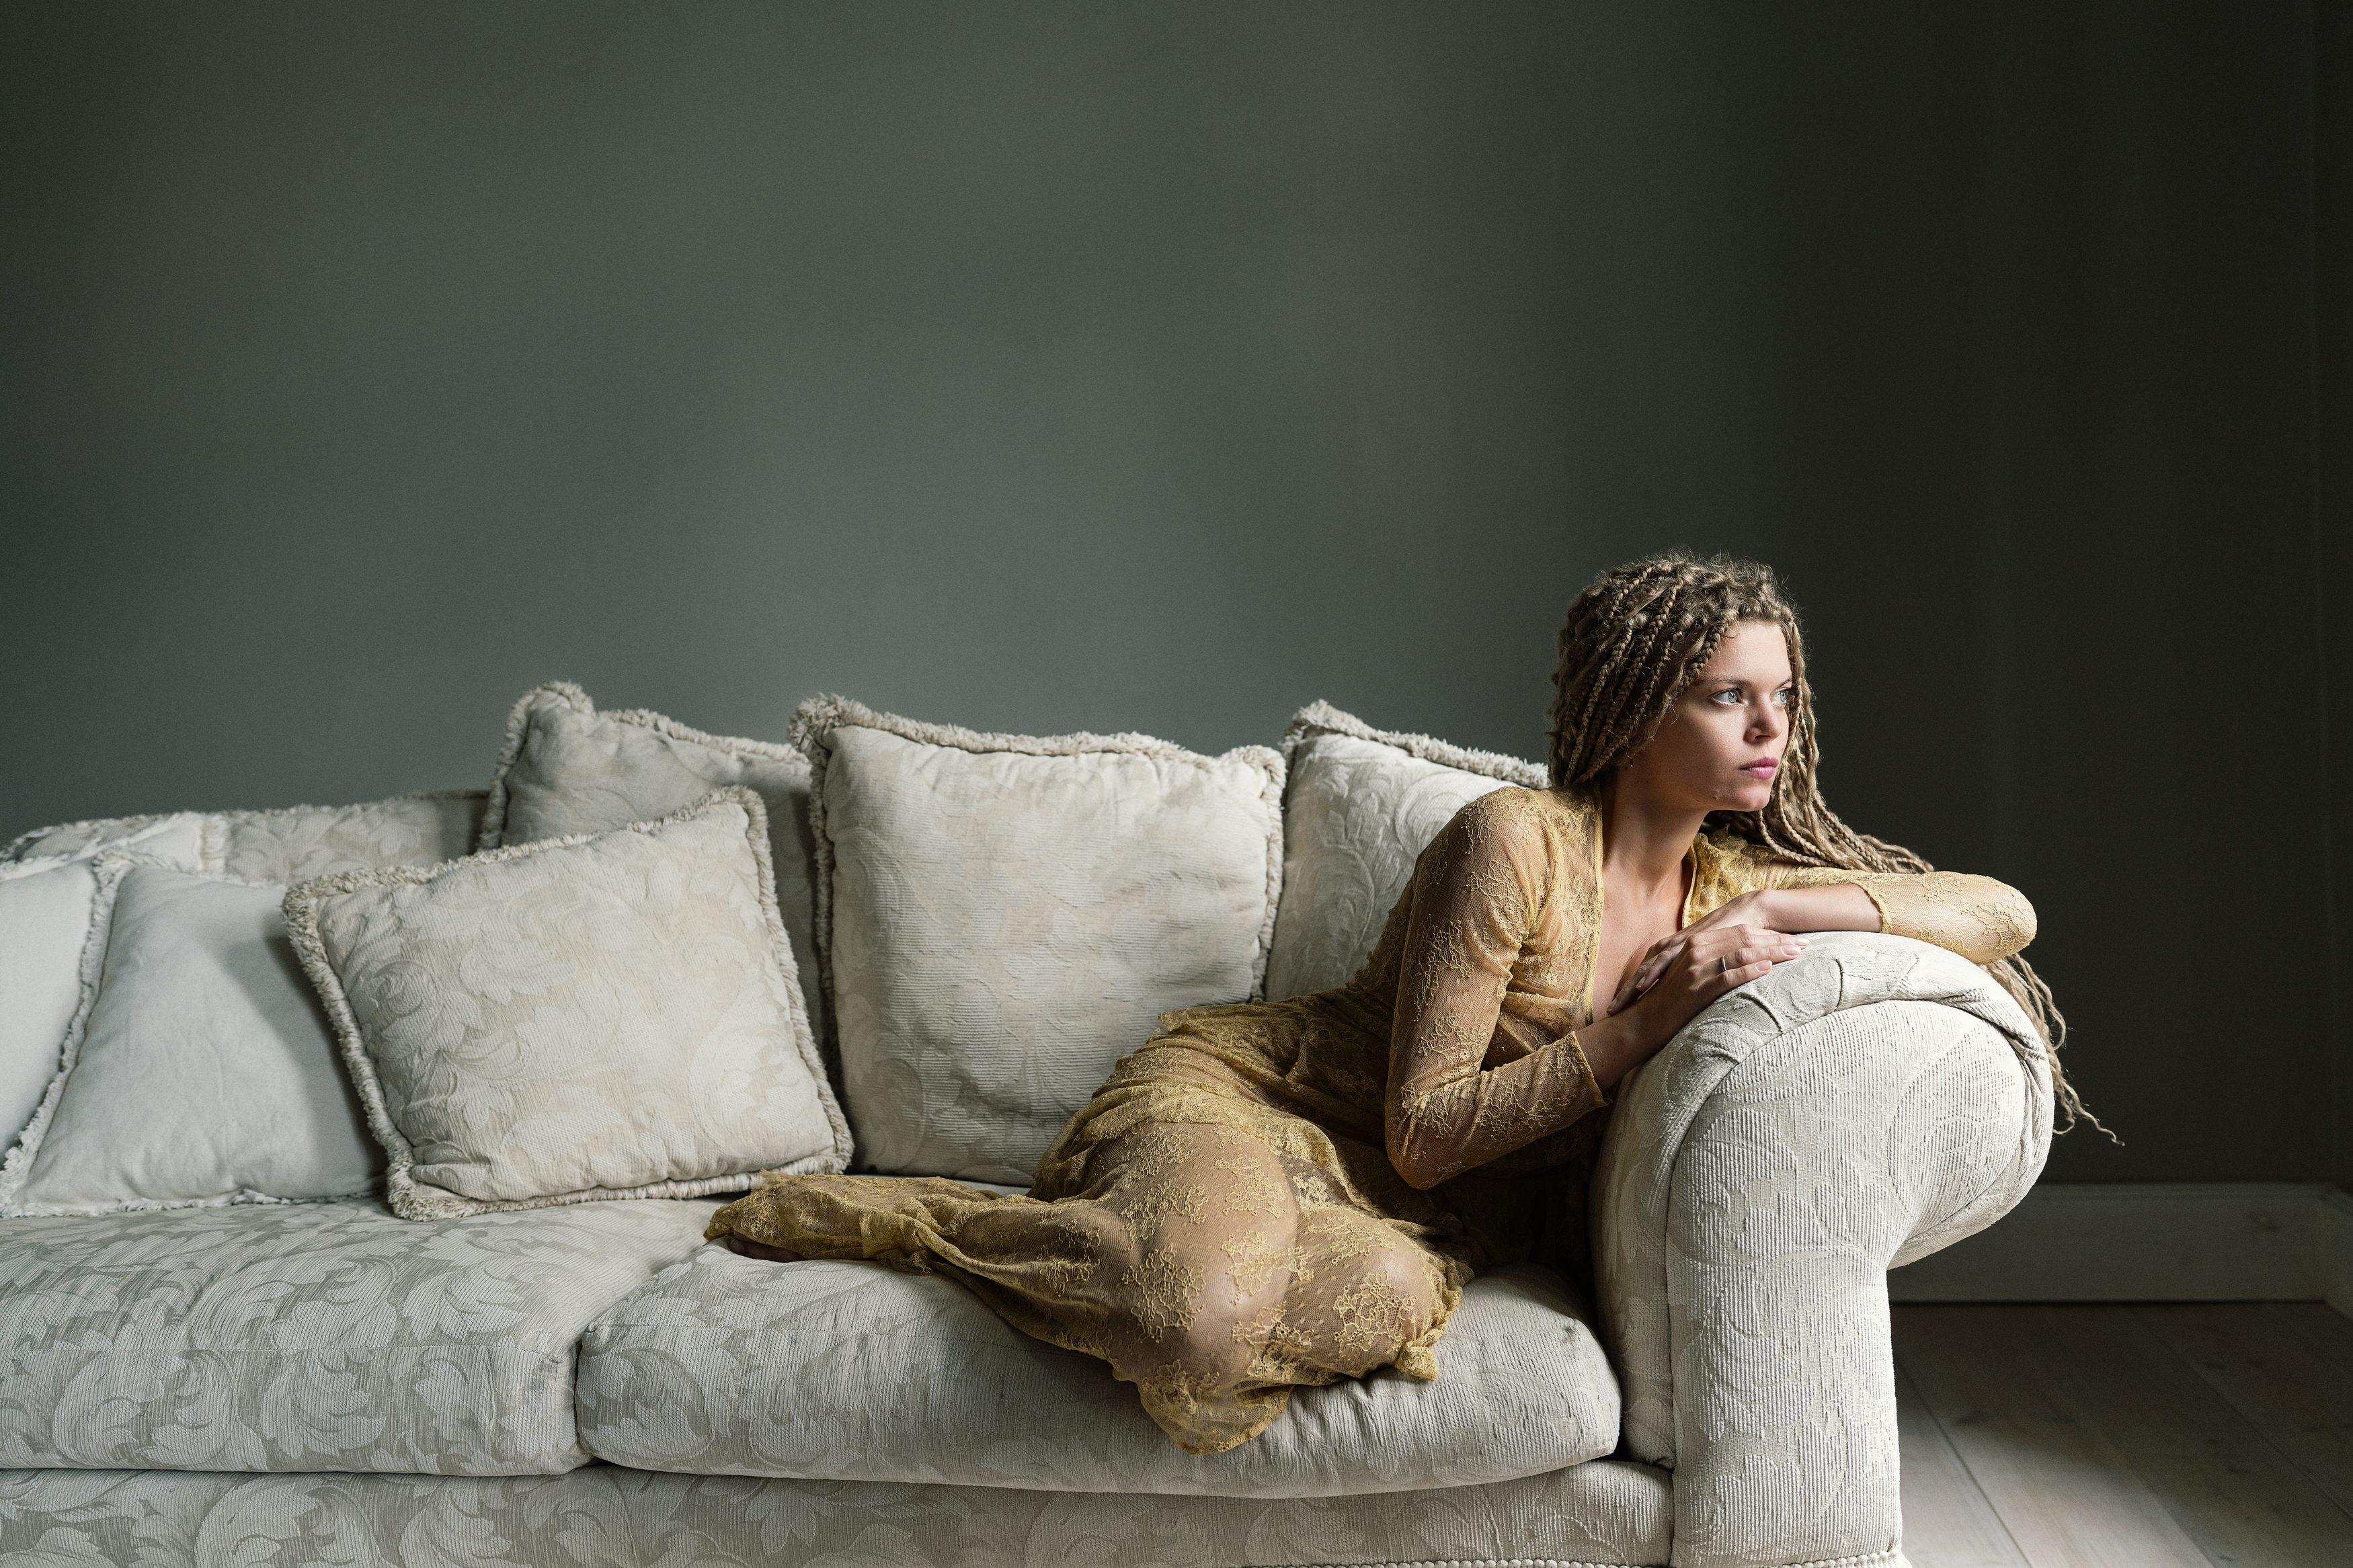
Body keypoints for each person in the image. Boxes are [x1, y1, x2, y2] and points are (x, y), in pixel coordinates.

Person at [705, 552, 2077, 1455]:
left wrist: (1774, 909)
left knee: (1364, 1297)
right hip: (1248, 1107)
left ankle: (1127, 1247)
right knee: (1195, 1328)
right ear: (1629, 709)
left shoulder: (1736, 880)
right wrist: (1635, 1030)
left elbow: (2000, 913)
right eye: (1727, 698)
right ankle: (944, 1219)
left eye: (1779, 696)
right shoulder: (1515, 843)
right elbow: (1422, 1127)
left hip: (1390, 1216)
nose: (1771, 730)